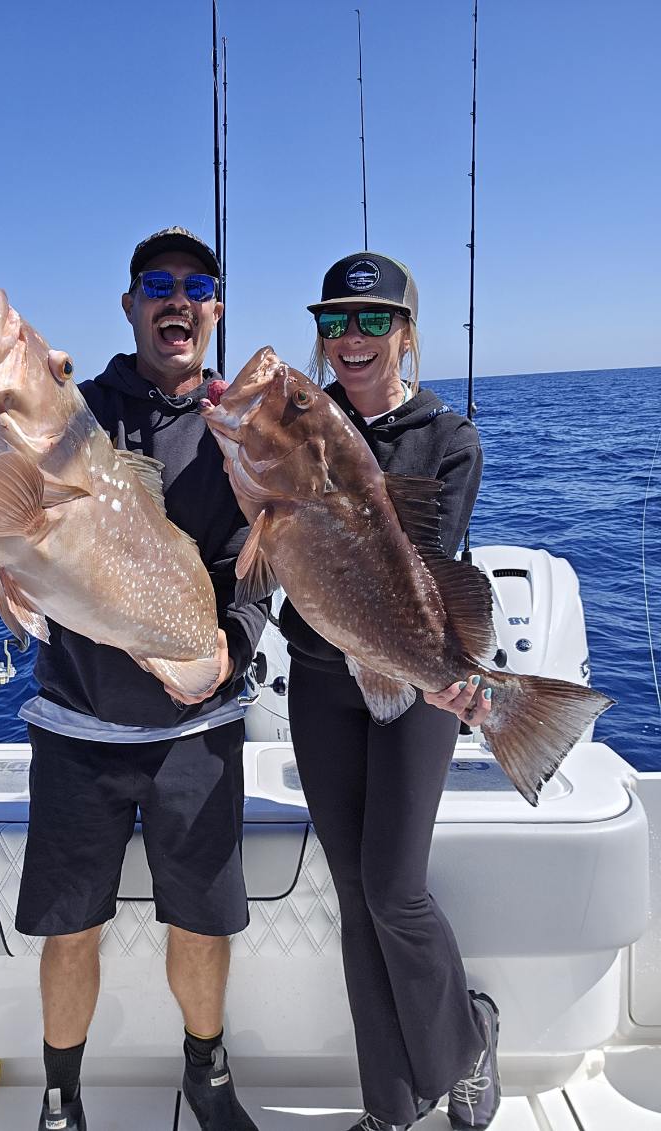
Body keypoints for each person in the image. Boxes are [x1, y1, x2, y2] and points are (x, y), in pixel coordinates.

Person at [0, 227, 269, 1131]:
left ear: (214, 310)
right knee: (71, 925)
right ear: (131, 305)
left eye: (196, 287)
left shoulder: (238, 428)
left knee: (202, 923)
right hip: (75, 721)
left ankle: (208, 1074)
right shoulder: (80, 410)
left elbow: (261, 561)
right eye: (157, 284)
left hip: (196, 725)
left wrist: (233, 646)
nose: (177, 300)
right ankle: (61, 1096)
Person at [278, 252, 500, 1131]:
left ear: (406, 333)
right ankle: (389, 1106)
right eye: (334, 321)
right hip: (317, 675)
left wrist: (452, 674)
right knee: (353, 894)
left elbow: (424, 570)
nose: (352, 337)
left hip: (408, 669)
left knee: (394, 890)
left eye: (374, 319)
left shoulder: (449, 439)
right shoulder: (297, 427)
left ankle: (467, 1043)